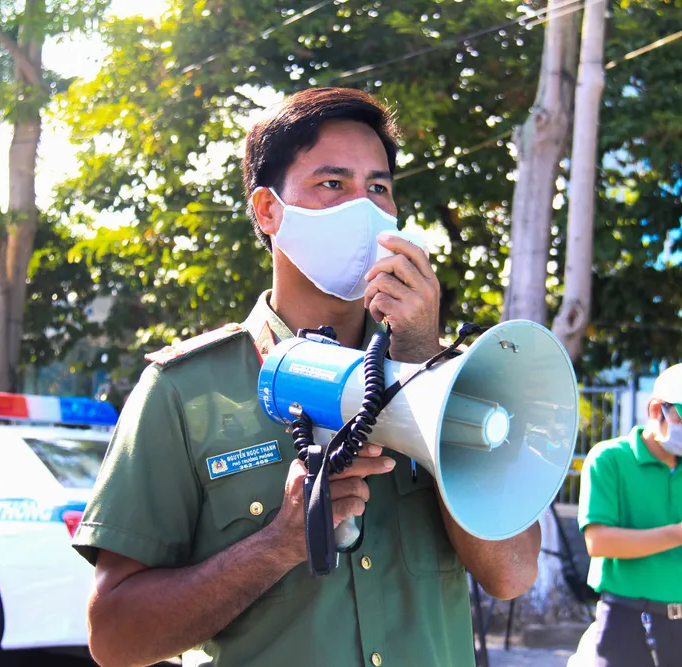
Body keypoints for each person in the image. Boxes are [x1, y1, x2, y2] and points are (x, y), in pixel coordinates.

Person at [72, 87, 543, 667]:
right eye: (332, 184)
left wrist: (424, 364)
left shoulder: (455, 379)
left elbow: (515, 573)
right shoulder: (186, 393)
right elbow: (114, 638)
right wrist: (277, 546)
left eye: (378, 188)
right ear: (269, 210)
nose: (363, 207)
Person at [570, 363, 682, 667]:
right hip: (627, 620)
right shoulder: (608, 459)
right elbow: (598, 543)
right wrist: (679, 534)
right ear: (655, 410)